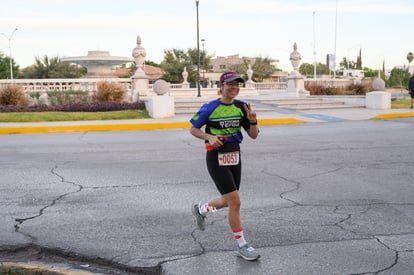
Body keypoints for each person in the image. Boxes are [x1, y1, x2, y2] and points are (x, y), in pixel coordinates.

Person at [189, 71, 260, 261]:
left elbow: (253, 135)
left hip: (234, 155)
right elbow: (193, 129)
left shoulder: (241, 107)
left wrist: (252, 120)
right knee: (235, 202)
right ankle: (242, 246)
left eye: (237, 85)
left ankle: (202, 209)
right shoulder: (210, 108)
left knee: (228, 200)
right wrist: (209, 136)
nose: (234, 88)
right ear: (221, 87)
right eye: (230, 84)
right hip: (215, 157)